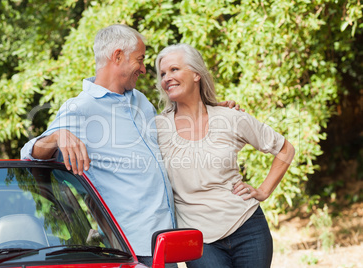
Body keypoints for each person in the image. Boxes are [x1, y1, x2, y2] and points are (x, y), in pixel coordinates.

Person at [21, 24, 240, 267]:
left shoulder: (141, 102)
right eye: (140, 59)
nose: (145, 69)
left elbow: (174, 130)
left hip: (166, 241)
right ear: (117, 56)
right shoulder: (81, 108)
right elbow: (30, 155)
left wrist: (210, 110)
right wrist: (56, 136)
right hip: (131, 246)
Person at [154, 43, 295, 268]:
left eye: (174, 70)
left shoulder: (230, 117)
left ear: (196, 74)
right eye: (162, 73)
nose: (167, 78)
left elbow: (285, 149)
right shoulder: (158, 127)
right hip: (199, 241)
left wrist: (264, 190)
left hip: (248, 228)